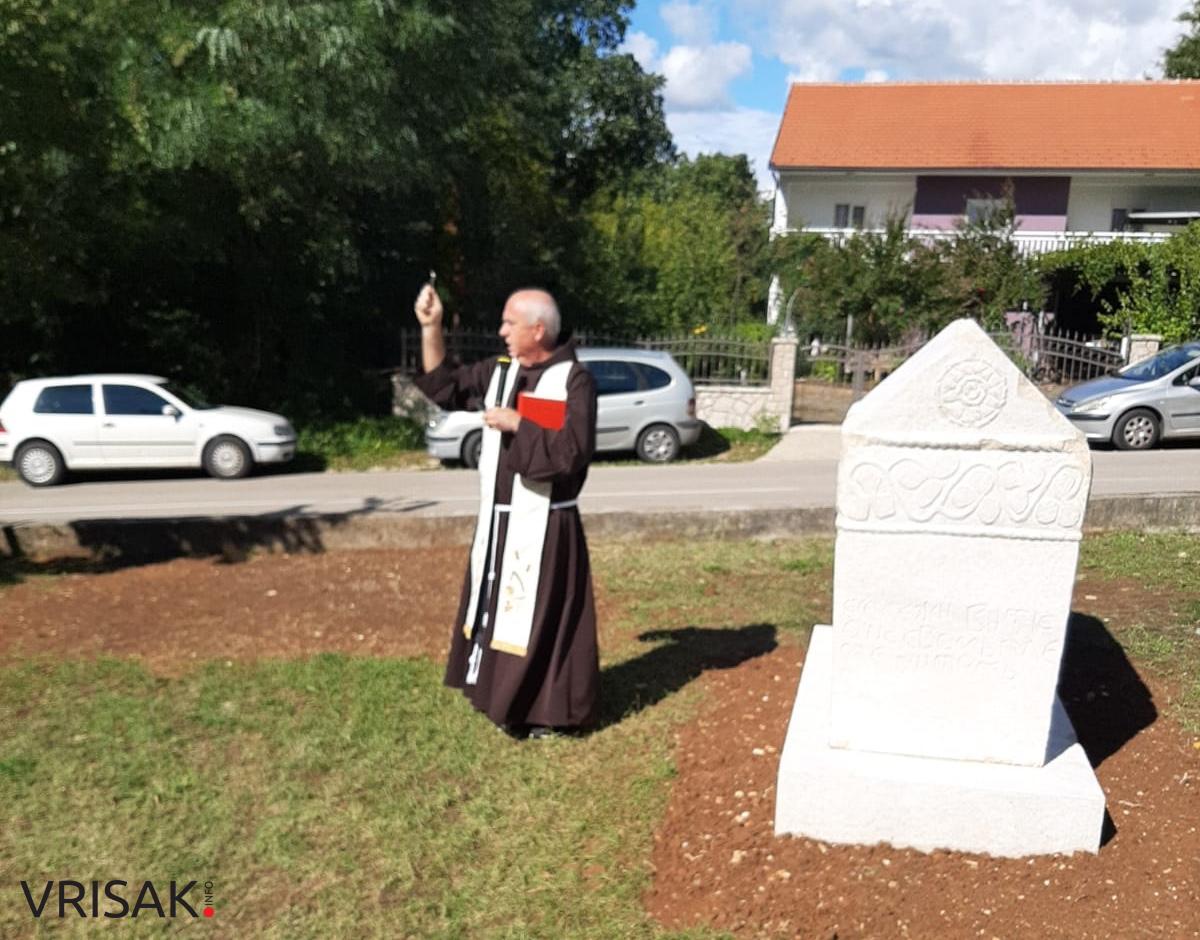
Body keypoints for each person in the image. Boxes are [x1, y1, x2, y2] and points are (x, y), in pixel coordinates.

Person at [411, 283, 599, 737]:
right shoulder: (502, 372)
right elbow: (445, 386)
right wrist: (431, 327)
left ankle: (547, 713)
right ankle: (501, 698)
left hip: (547, 523)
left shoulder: (574, 380)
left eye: (509, 324)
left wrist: (519, 423)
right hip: (499, 520)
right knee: (499, 610)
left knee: (544, 621)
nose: (501, 332)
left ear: (538, 330)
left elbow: (572, 452)